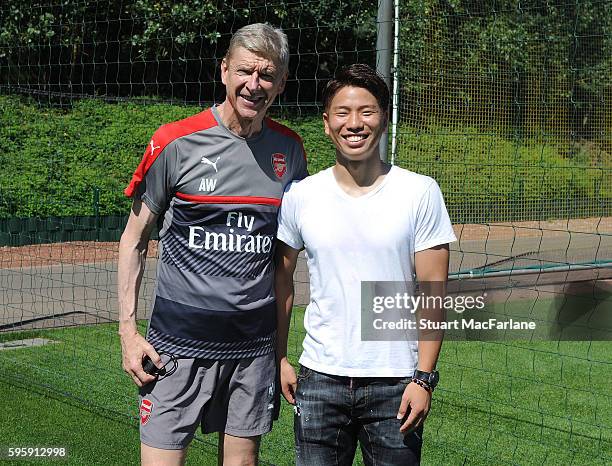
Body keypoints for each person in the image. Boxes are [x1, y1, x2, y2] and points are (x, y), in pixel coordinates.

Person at [118, 23, 308, 466]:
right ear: (224, 71)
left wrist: (281, 354)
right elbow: (134, 240)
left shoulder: (291, 151)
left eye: (267, 75)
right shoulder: (175, 141)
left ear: (280, 84)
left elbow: (285, 267)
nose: (253, 85)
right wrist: (128, 333)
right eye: (245, 71)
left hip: (252, 352)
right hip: (176, 348)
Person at [275, 64, 457, 465]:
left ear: (385, 119)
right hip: (320, 379)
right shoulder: (301, 196)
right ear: (326, 123)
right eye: (342, 112)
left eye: (367, 111)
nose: (354, 123)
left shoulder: (420, 193)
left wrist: (423, 378)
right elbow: (281, 281)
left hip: (396, 382)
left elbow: (434, 293)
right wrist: (280, 358)